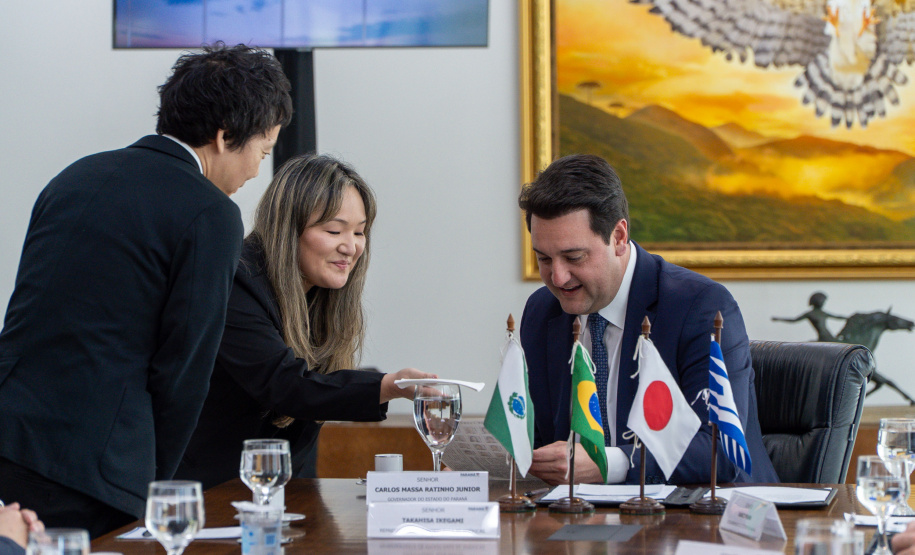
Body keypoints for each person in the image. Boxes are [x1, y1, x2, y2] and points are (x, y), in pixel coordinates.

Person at [0, 43, 292, 537]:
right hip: (96, 470)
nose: (255, 171)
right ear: (224, 137)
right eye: (262, 152)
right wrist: (155, 486)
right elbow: (184, 370)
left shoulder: (75, 177)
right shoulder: (211, 213)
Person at [175, 154, 435, 489]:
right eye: (333, 230)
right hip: (210, 492)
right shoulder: (236, 281)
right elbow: (285, 385)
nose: (351, 247)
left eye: (359, 232)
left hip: (284, 490)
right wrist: (387, 386)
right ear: (288, 227)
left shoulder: (319, 292)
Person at [518, 153, 779, 485]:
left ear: (618, 237)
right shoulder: (543, 312)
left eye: (573, 257)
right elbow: (545, 438)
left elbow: (720, 450)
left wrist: (608, 464)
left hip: (705, 521)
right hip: (585, 522)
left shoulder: (700, 307)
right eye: (543, 259)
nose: (558, 277)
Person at [772, 291, 845, 342]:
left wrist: (848, 318)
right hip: (824, 337)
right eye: (823, 301)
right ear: (818, 301)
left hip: (829, 336)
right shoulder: (810, 314)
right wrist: (779, 319)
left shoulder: (823, 313)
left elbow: (837, 317)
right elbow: (794, 320)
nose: (824, 303)